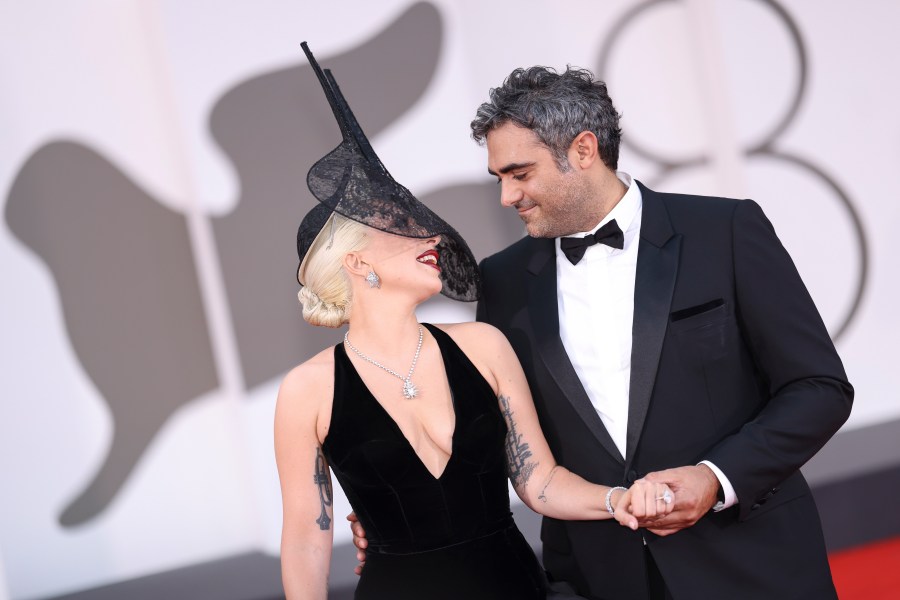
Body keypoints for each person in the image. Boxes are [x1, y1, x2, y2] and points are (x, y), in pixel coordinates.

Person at [353, 66, 854, 599]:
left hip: (753, 566)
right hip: (601, 579)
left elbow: (818, 388)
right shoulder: (501, 282)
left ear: (584, 150)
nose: (507, 196)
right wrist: (400, 514)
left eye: (520, 173)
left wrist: (714, 478)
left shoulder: (724, 232)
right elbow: (502, 439)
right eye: (498, 177)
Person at [275, 44, 674, 600]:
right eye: (403, 226)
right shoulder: (307, 391)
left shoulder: (483, 345)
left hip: (516, 586)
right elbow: (304, 539)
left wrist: (617, 500)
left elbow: (539, 481)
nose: (433, 237)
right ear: (357, 261)